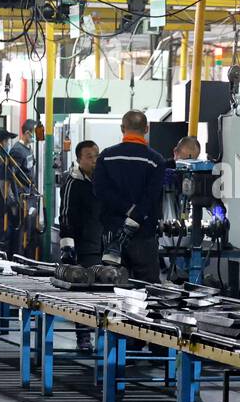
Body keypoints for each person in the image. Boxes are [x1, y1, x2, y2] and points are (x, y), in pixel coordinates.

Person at [93, 110, 164, 283]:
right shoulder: (155, 160)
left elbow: (100, 190)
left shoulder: (106, 156)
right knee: (147, 290)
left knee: (110, 286)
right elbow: (152, 196)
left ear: (122, 128)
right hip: (144, 236)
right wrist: (136, 213)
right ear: (146, 129)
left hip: (111, 234)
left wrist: (125, 208)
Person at [59, 140, 102, 352]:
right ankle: (83, 335)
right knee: (84, 294)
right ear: (79, 159)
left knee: (105, 294)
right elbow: (65, 216)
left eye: (96, 155)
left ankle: (105, 336)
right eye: (89, 156)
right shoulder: (73, 183)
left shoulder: (103, 181)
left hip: (101, 246)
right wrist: (68, 248)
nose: (94, 160)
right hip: (83, 248)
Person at [0, 127, 31, 258]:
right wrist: (14, 206)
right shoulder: (4, 160)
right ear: (3, 142)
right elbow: (4, 187)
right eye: (7, 141)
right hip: (3, 208)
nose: (8, 144)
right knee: (8, 244)